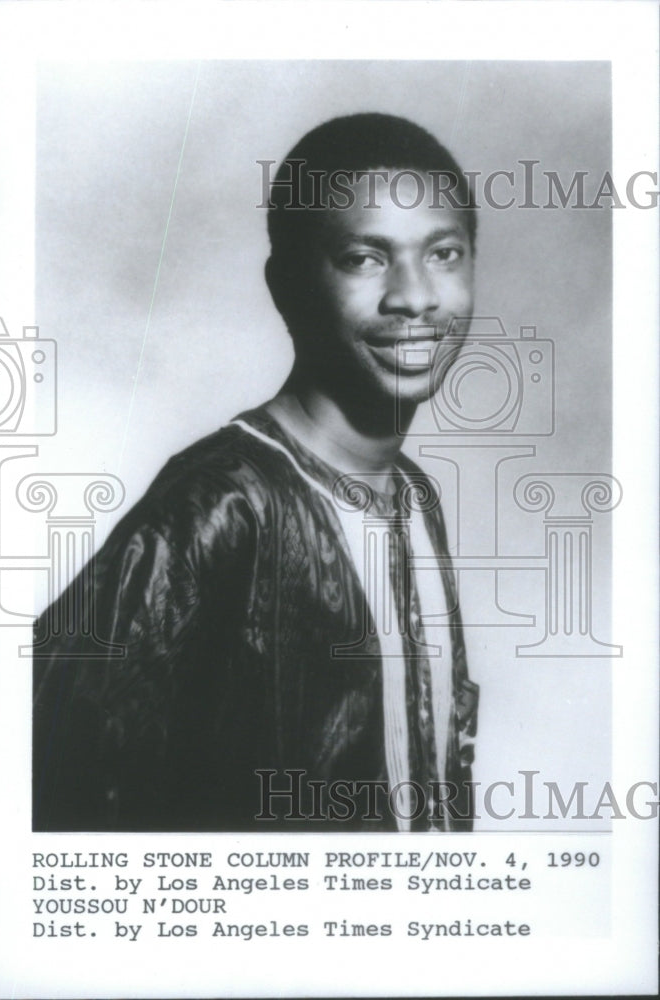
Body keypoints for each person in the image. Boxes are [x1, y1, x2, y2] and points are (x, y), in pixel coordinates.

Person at [33, 112, 479, 832]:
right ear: (287, 285)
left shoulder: (415, 500)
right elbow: (57, 765)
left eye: (444, 254)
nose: (414, 297)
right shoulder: (220, 502)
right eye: (364, 258)